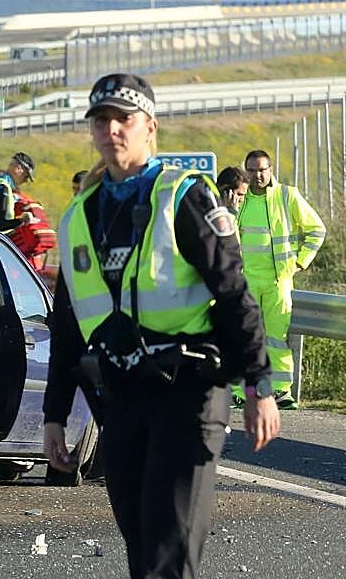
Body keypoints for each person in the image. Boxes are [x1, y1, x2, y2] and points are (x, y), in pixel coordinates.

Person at [43, 73, 279, 579]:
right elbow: (67, 324)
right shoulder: (79, 214)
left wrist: (260, 384)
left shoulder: (183, 195)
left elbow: (233, 290)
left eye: (123, 119)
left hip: (189, 388)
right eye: (101, 120)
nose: (111, 130)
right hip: (123, 396)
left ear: (149, 128)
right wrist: (54, 415)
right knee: (142, 551)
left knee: (165, 559)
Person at [236, 149, 325, 408]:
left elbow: (316, 230)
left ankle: (281, 391)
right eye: (252, 170)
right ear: (246, 171)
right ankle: (239, 391)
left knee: (276, 338)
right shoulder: (240, 199)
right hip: (245, 281)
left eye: (262, 169)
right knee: (243, 336)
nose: (257, 175)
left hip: (278, 282)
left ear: (270, 169)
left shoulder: (288, 196)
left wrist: (300, 261)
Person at [0, 152, 35, 231]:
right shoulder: (2, 189)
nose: (26, 181)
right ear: (18, 169)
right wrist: (22, 220)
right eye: (26, 176)